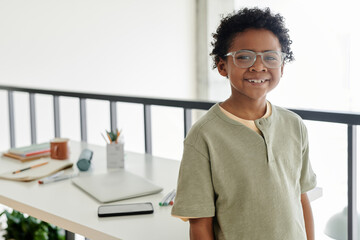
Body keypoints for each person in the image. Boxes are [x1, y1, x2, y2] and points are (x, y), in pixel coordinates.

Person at [171, 7, 317, 240]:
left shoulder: (294, 125)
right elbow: (200, 224)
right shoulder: (203, 135)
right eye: (244, 56)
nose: (258, 66)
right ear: (222, 66)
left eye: (270, 57)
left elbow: (301, 198)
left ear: (282, 66)